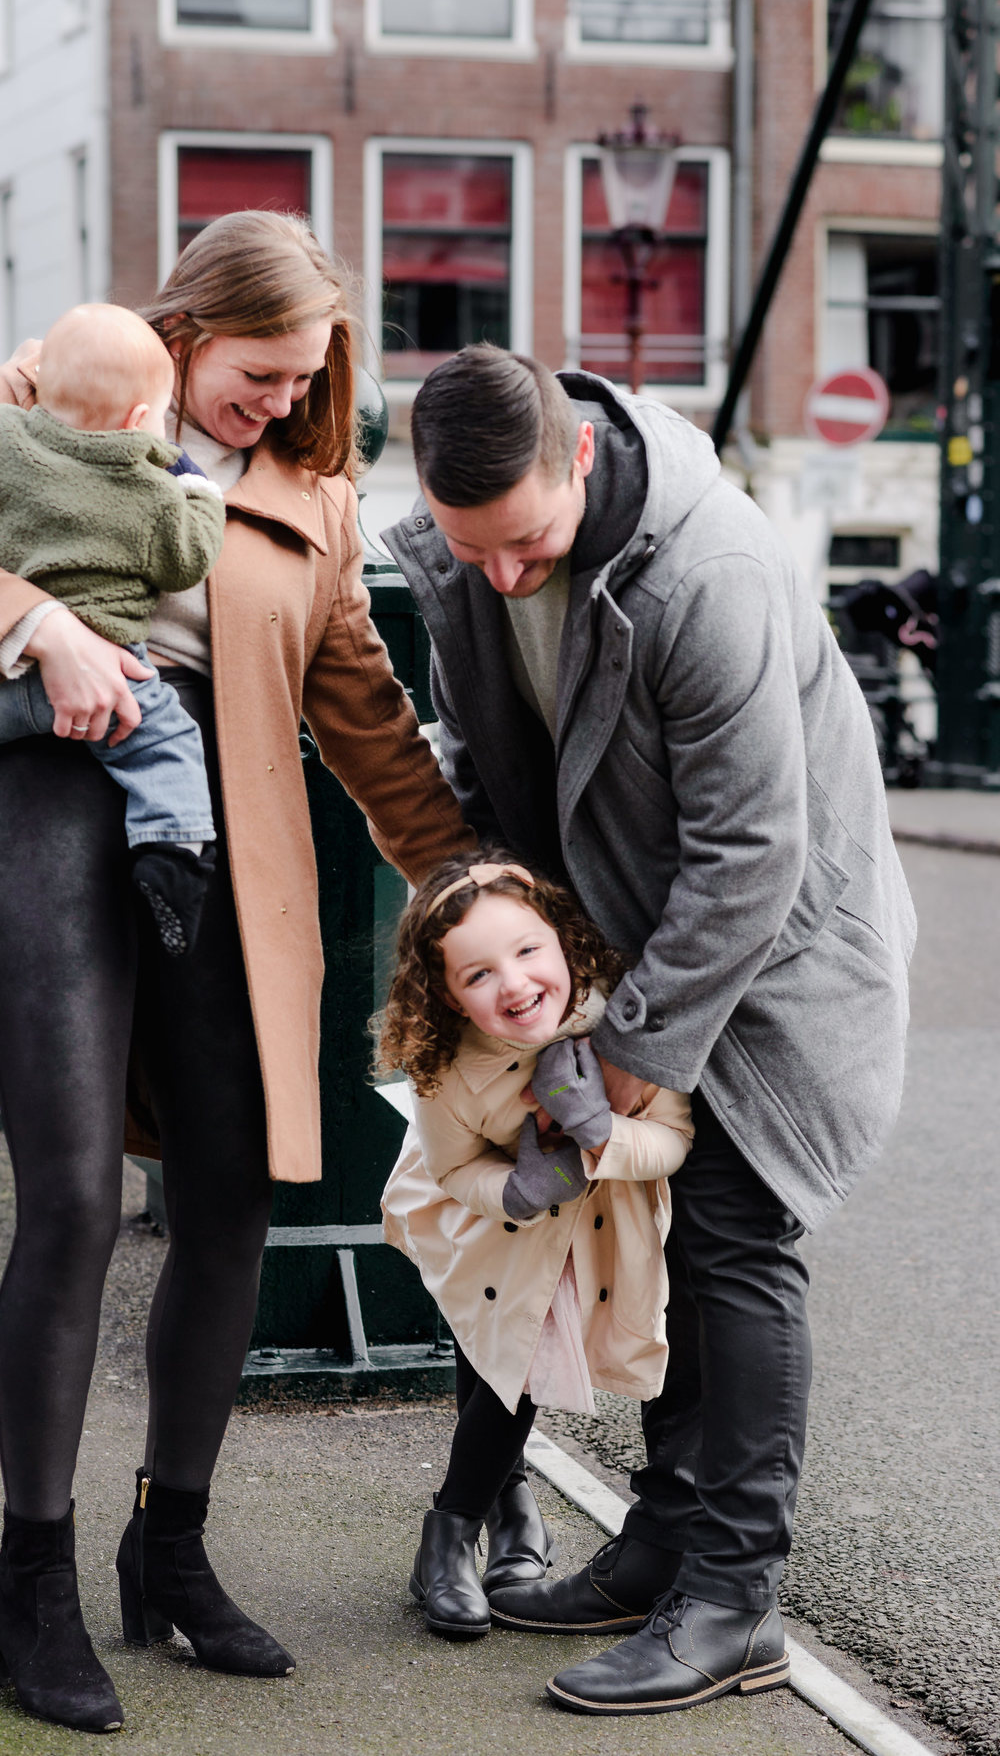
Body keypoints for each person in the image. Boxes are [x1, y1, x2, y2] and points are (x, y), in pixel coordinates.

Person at [0, 211, 470, 1734]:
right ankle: (26, 1573)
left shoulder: (313, 485)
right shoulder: (60, 384)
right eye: (259, 373)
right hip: (39, 787)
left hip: (217, 831)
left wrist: (463, 874)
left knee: (236, 1187)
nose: (281, 402)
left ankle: (171, 1542)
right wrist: (39, 627)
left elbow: (361, 706)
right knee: (75, 1194)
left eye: (307, 380)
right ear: (184, 333)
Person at [381, 343, 916, 1716]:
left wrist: (628, 1062)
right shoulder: (486, 553)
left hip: (778, 953)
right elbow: (488, 751)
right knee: (664, 1231)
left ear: (575, 461)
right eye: (466, 548)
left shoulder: (706, 572)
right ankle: (665, 1544)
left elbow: (752, 853)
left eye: (524, 547)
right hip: (625, 940)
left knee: (738, 1240)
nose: (501, 576)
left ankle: (736, 1600)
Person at [376, 854, 692, 1641]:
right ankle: (486, 1521)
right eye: (477, 975)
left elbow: (672, 1138)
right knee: (491, 1338)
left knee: (517, 1360)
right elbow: (451, 1167)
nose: (513, 985)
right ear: (445, 995)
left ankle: (460, 1525)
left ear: (564, 940)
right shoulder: (444, 1064)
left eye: (526, 952)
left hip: (580, 1223)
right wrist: (512, 1192)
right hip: (481, 1212)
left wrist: (596, 1129)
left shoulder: (616, 1020)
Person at [0, 303, 225, 958]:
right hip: (112, 686)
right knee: (168, 746)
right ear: (141, 419)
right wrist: (195, 487)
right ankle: (170, 856)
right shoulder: (151, 490)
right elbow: (189, 559)